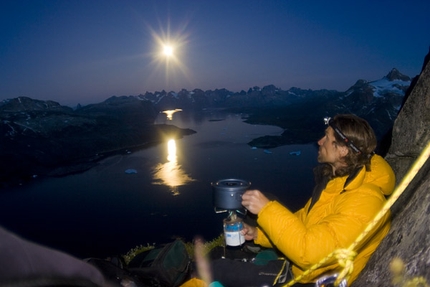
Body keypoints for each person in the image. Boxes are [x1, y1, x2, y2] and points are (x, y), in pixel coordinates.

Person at [239, 114, 396, 286]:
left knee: (217, 271)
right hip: (302, 270)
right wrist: (258, 234)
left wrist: (266, 209)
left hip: (311, 280)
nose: (320, 141)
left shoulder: (365, 203)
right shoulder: (338, 183)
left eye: (327, 138)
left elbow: (309, 254)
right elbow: (304, 222)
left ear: (343, 150)